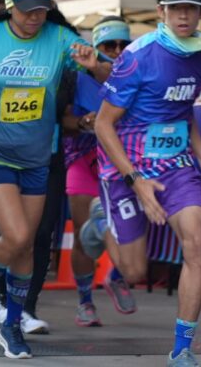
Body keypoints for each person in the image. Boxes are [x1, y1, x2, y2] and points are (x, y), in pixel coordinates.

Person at [0, 0, 106, 359]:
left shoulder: (59, 40)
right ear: (10, 6)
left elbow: (110, 71)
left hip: (38, 160)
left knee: (26, 249)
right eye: (26, 10)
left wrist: (94, 63)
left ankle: (11, 326)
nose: (34, 17)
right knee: (19, 236)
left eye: (41, 9)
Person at [92, 0, 201, 367]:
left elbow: (183, 109)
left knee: (196, 245)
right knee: (134, 271)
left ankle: (182, 349)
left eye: (191, 7)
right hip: (126, 164)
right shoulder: (137, 57)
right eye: (175, 8)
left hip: (175, 163)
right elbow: (103, 124)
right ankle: (100, 223)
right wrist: (134, 179)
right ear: (161, 12)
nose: (184, 15)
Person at [65, 17, 136, 327]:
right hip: (85, 162)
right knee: (85, 237)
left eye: (124, 44)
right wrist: (83, 123)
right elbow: (64, 121)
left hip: (123, 164)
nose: (118, 51)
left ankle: (116, 274)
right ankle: (84, 301)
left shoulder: (136, 76)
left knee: (130, 229)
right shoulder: (78, 79)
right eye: (110, 45)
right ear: (96, 47)